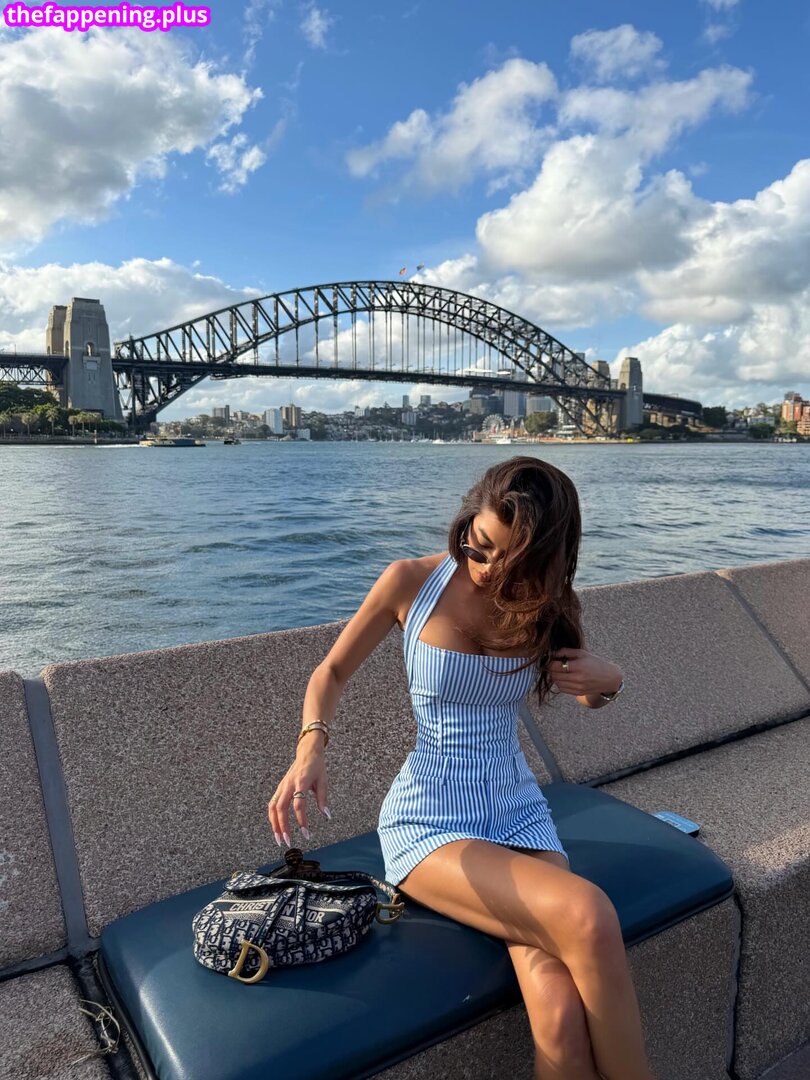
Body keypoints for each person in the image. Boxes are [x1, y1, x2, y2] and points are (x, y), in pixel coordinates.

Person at [268, 456, 654, 1080]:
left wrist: (610, 680)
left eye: (509, 559)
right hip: (430, 820)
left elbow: (584, 690)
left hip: (518, 810)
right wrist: (311, 745)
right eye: (479, 547)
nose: (487, 568)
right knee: (587, 915)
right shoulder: (410, 582)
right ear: (468, 519)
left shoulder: (545, 601)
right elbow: (331, 671)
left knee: (559, 1015)